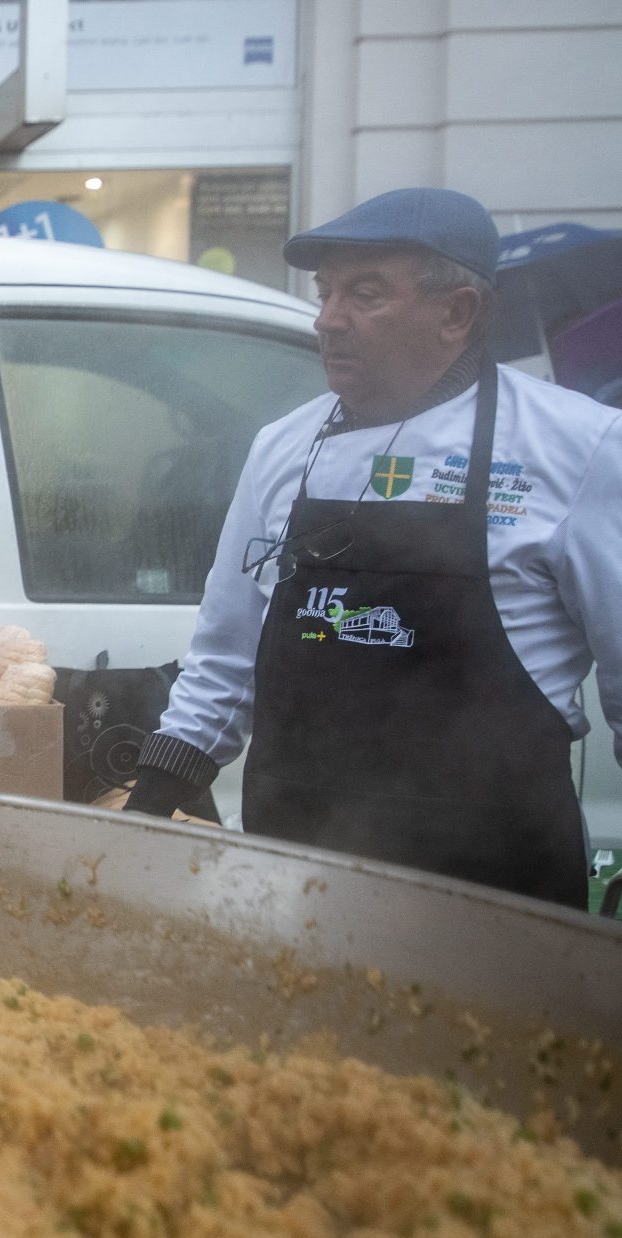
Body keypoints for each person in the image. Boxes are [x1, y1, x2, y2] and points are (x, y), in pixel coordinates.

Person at [127, 187, 622, 906]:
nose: (329, 321)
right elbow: (224, 663)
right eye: (326, 293)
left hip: (495, 886)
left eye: (365, 295)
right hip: (293, 870)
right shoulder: (281, 447)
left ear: (458, 313)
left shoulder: (578, 449)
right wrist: (148, 803)